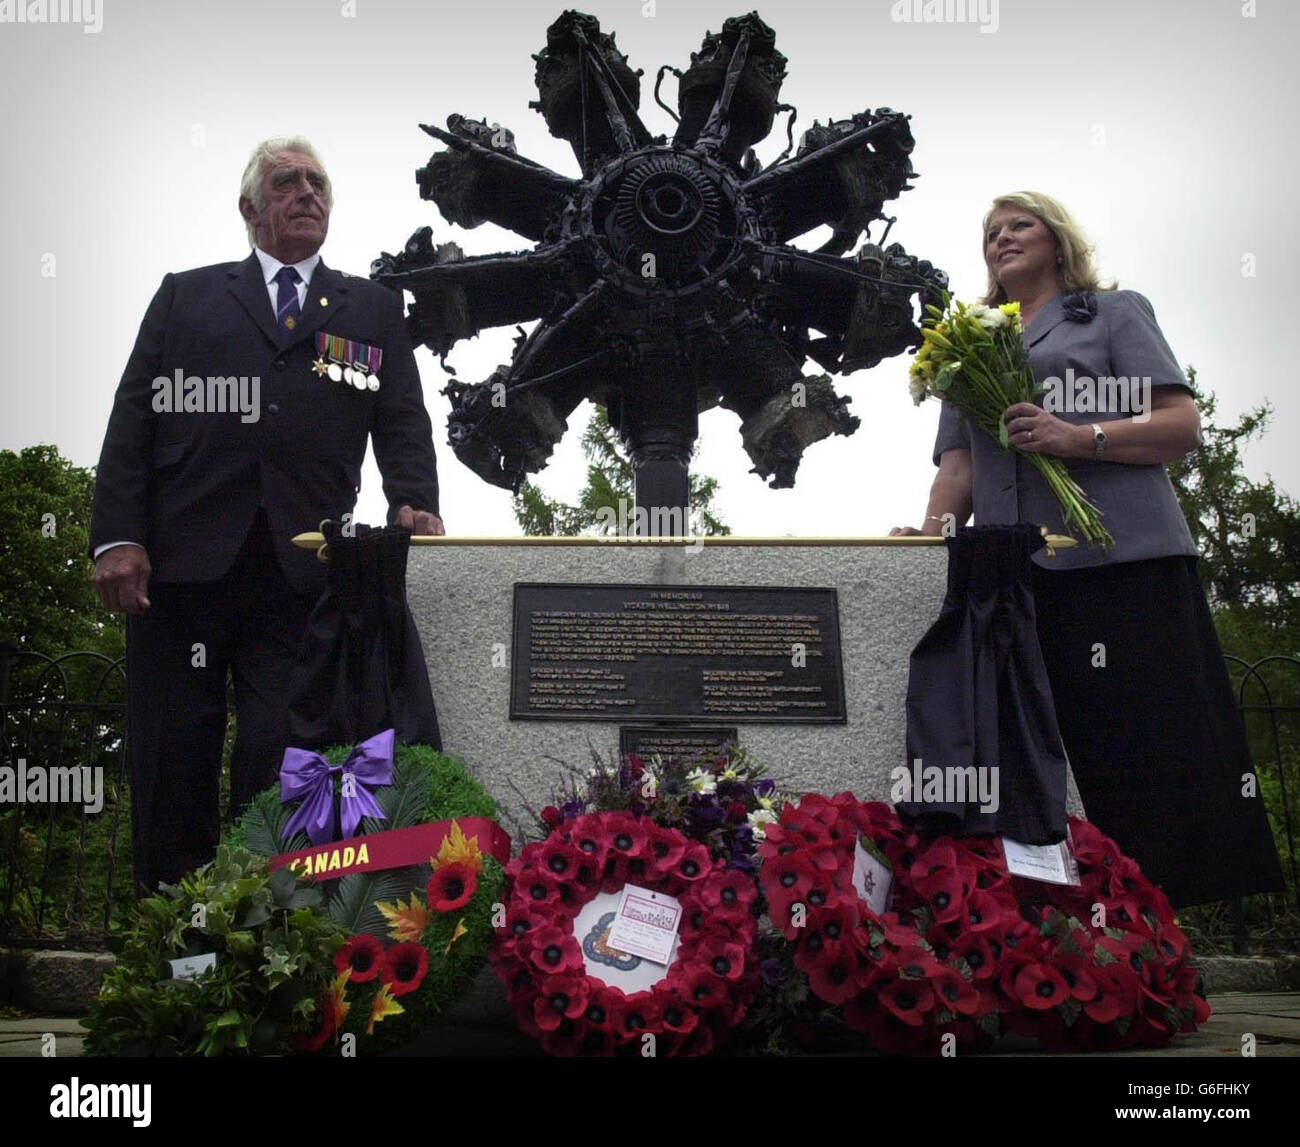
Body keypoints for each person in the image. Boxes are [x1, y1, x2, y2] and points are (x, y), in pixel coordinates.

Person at [892, 191, 1283, 907]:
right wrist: (928, 534)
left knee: (1147, 747)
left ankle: (1164, 919)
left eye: (1020, 225)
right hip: (1016, 577)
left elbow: (1180, 424)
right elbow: (960, 467)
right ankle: (1058, 918)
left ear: (1058, 239)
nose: (1002, 238)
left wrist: (1080, 438)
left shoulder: (1111, 313)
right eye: (990, 232)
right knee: (1031, 756)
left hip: (1123, 567)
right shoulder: (964, 344)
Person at [89, 137, 445, 895]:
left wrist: (414, 502)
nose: (307, 193)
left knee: (283, 755)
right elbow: (133, 420)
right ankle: (174, 956)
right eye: (287, 182)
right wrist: (118, 536)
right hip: (178, 572)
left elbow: (403, 421)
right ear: (252, 208)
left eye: (318, 183)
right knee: (173, 751)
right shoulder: (186, 296)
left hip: (303, 573)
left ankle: (269, 938)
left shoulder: (371, 310)